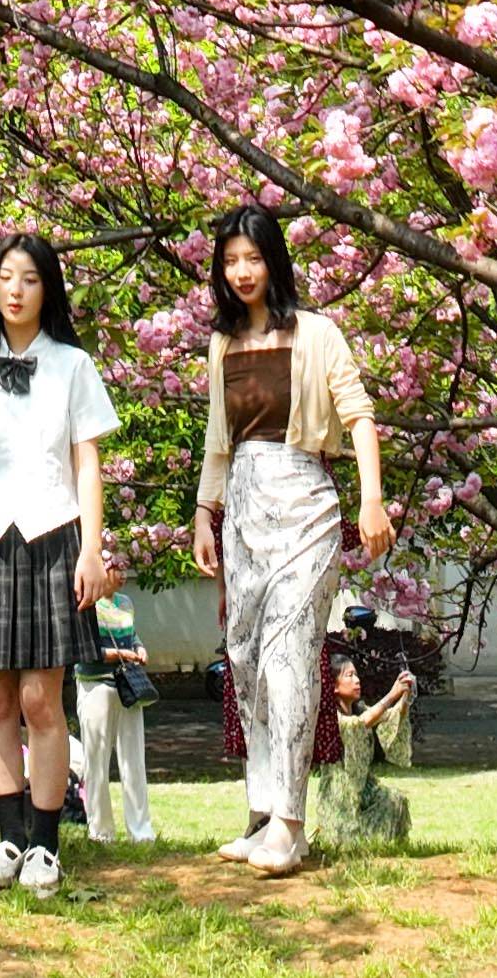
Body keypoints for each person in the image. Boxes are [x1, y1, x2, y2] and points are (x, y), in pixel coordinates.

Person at [186, 204, 390, 877]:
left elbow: (359, 417)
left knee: (289, 656)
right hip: (243, 510)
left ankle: (292, 824)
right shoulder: (223, 345)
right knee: (245, 663)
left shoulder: (317, 334)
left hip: (304, 503)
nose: (242, 271)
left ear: (275, 259)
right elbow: (219, 443)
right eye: (230, 261)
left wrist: (371, 499)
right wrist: (202, 514)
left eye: (253, 257)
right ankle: (262, 809)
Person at [0, 232, 117, 898]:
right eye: (6, 277)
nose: (15, 289)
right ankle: (8, 837)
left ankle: (45, 842)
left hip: (53, 535)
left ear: (49, 289)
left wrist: (92, 547)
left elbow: (87, 461)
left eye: (30, 278)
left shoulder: (74, 366)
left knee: (42, 699)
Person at [311, 636, 417, 853]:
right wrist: (391, 695)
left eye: (356, 675)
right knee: (345, 842)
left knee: (395, 802)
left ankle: (384, 846)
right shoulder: (330, 717)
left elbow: (387, 717)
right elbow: (359, 724)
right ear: (334, 687)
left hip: (364, 787)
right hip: (340, 793)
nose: (357, 680)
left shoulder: (359, 708)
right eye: (349, 676)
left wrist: (404, 697)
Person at [79, 587, 159, 842]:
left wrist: (139, 648)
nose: (123, 573)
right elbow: (82, 648)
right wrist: (117, 655)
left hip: (128, 687)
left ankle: (141, 831)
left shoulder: (125, 602)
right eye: (117, 566)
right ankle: (100, 831)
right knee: (97, 762)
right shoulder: (86, 601)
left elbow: (132, 635)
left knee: (134, 760)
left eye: (125, 567)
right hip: (96, 684)